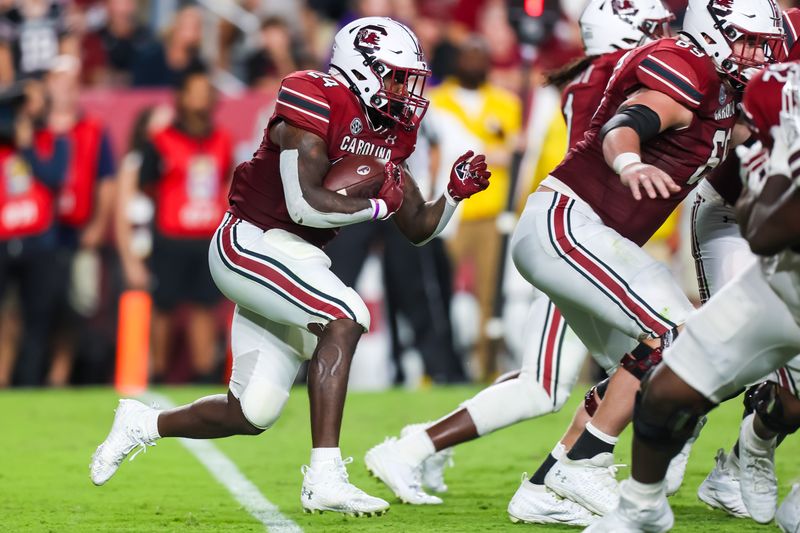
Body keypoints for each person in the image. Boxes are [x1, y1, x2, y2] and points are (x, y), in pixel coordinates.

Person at [89, 17, 490, 516]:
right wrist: (376, 207)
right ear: (360, 68)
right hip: (250, 242)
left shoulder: (391, 130)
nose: (404, 89)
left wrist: (451, 195)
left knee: (252, 412)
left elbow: (418, 228)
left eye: (408, 77)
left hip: (297, 258)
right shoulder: (313, 95)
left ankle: (143, 424)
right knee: (346, 314)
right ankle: (324, 475)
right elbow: (305, 205)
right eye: (394, 75)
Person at [364, 0, 674, 519]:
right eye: (654, 28)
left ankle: (570, 470)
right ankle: (419, 450)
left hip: (597, 244)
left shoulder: (599, 74)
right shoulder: (609, 75)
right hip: (586, 243)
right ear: (625, 31)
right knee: (552, 382)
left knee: (641, 365)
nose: (668, 39)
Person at [508, 0, 781, 519]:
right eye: (746, 40)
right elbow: (625, 123)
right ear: (714, 31)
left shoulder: (723, 93)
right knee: (683, 336)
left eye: (761, 45)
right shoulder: (688, 68)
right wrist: (630, 161)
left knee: (639, 365)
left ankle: (543, 487)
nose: (756, 55)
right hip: (568, 222)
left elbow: (750, 140)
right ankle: (585, 463)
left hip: (584, 237)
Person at [587, 60, 800, 533]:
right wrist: (774, 164)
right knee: (666, 388)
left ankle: (755, 449)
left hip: (781, 255)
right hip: (780, 275)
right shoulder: (778, 82)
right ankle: (641, 508)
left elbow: (773, 226)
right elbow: (762, 229)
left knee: (790, 407)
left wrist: (781, 168)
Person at [426, 36, 521, 379]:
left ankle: (487, 370)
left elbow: (516, 150)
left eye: (480, 54)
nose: (474, 61)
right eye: (468, 54)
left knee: (490, 298)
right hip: (448, 211)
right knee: (438, 291)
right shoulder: (437, 101)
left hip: (492, 213)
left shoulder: (506, 102)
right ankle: (438, 368)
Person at [133, 68, 230, 384]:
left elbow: (225, 181)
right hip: (171, 239)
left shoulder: (222, 140)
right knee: (164, 306)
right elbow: (146, 184)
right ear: (182, 97)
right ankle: (157, 373)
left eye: (207, 90)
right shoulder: (160, 141)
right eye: (196, 90)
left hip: (207, 239)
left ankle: (203, 374)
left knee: (205, 306)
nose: (203, 97)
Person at [0, 81, 68, 386]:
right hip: (3, 240)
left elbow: (53, 177)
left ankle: (29, 382)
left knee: (37, 317)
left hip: (40, 241)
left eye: (35, 99)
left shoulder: (54, 141)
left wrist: (26, 146)